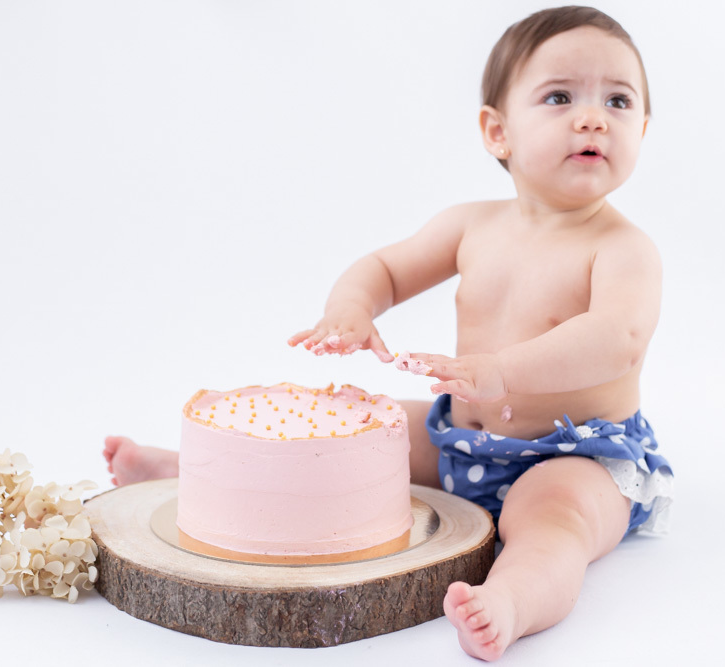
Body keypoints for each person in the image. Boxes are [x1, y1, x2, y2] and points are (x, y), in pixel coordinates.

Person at [105, 6, 674, 661]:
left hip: (580, 456)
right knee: (356, 432)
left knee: (552, 522)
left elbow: (615, 338)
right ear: (497, 131)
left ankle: (513, 599)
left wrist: (504, 369)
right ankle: (196, 478)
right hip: (460, 437)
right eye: (559, 96)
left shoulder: (624, 248)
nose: (592, 117)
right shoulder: (471, 225)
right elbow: (384, 267)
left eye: (619, 100)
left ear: (643, 128)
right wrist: (352, 306)